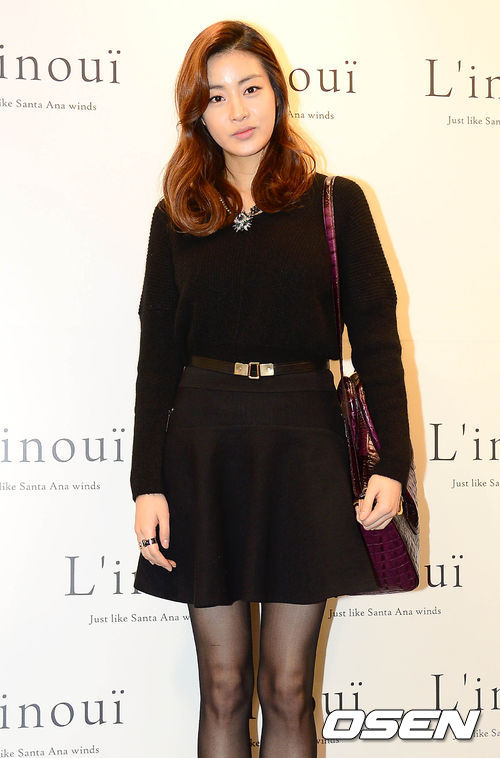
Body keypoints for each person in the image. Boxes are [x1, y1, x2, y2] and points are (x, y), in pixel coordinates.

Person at [130, 19, 412, 758]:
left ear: (277, 93)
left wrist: (393, 463)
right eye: (217, 96)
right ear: (197, 114)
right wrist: (146, 482)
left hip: (303, 442)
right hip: (203, 444)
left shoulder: (335, 203)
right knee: (222, 687)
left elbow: (377, 340)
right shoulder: (178, 215)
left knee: (288, 688)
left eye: (250, 88)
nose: (238, 109)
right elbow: (155, 358)